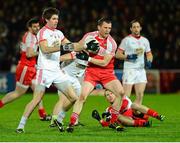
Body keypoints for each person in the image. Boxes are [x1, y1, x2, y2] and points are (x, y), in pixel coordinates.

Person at [15, 7, 97, 133]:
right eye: (53, 19)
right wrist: (63, 46)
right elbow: (45, 49)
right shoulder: (43, 32)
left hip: (57, 71)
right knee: (36, 100)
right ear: (46, 20)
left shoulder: (59, 33)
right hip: (44, 71)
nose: (56, 21)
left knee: (74, 97)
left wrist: (85, 46)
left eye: (57, 19)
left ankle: (59, 118)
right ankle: (21, 126)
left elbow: (71, 45)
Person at [66, 17, 126, 132]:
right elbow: (79, 46)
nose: (108, 30)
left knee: (121, 93)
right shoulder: (89, 36)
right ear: (99, 27)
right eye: (105, 27)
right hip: (92, 72)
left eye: (109, 28)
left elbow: (104, 63)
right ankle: (72, 123)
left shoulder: (112, 43)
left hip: (106, 73)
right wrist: (68, 48)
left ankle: (113, 122)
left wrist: (87, 58)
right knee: (82, 96)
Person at [0, 17, 50, 121]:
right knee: (18, 93)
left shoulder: (31, 35)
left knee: (39, 89)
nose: (37, 28)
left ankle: (42, 114)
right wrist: (42, 51)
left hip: (31, 66)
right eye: (34, 27)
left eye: (38, 26)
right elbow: (29, 53)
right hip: (26, 67)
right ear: (29, 27)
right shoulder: (31, 37)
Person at [116, 19, 153, 105]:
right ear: (131, 29)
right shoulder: (126, 40)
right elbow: (117, 54)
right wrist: (128, 56)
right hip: (129, 70)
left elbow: (149, 54)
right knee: (126, 95)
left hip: (140, 70)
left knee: (140, 95)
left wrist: (149, 61)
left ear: (140, 28)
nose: (136, 29)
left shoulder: (145, 41)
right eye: (134, 27)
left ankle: (135, 114)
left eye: (137, 27)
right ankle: (123, 114)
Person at [92, 90, 165, 129]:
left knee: (134, 105)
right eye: (107, 95)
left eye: (111, 93)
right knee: (118, 116)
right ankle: (143, 124)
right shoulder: (108, 109)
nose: (110, 96)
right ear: (106, 99)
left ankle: (157, 115)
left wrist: (112, 112)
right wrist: (99, 119)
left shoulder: (123, 99)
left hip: (138, 115)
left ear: (115, 94)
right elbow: (109, 124)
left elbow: (124, 105)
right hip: (130, 121)